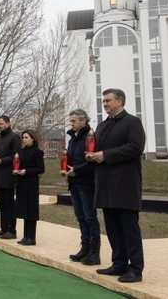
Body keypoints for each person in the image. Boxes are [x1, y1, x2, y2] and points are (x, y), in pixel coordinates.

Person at [86, 88, 145, 283]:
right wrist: (92, 155)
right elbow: (96, 147)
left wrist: (106, 155)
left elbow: (136, 147)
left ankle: (135, 269)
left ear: (120, 101)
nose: (105, 104)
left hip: (125, 184)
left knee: (129, 227)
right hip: (105, 183)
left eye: (108, 100)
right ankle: (119, 263)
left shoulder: (132, 123)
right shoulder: (102, 126)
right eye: (103, 101)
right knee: (111, 227)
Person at [63, 109, 100, 265]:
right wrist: (66, 169)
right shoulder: (72, 139)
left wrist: (76, 170)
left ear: (83, 121)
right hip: (74, 183)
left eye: (74, 121)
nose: (71, 124)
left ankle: (94, 252)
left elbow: (92, 160)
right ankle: (84, 248)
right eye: (70, 121)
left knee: (90, 217)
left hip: (87, 182)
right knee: (80, 217)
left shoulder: (90, 137)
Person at [0, 115, 21, 240]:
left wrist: (2, 161)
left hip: (9, 174)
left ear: (8, 124)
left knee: (9, 203)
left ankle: (11, 230)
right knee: (2, 203)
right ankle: (3, 228)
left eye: (1, 124)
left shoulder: (14, 137)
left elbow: (16, 155)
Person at [14, 130, 45, 245]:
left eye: (26, 137)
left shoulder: (37, 152)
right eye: (23, 137)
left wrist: (26, 171)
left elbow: (40, 169)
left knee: (31, 209)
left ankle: (31, 237)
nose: (24, 139)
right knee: (24, 209)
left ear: (33, 138)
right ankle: (26, 235)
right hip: (21, 182)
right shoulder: (21, 152)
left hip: (31, 182)